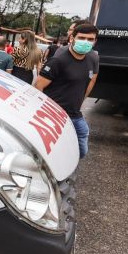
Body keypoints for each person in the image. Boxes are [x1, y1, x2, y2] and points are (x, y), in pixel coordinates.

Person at [36, 23, 99, 159]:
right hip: (55, 114)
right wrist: (45, 111)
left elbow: (91, 80)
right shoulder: (58, 60)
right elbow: (38, 86)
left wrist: (81, 100)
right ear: (72, 38)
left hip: (75, 114)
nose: (85, 42)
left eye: (90, 39)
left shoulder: (92, 59)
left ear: (95, 42)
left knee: (82, 148)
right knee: (51, 151)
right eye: (82, 38)